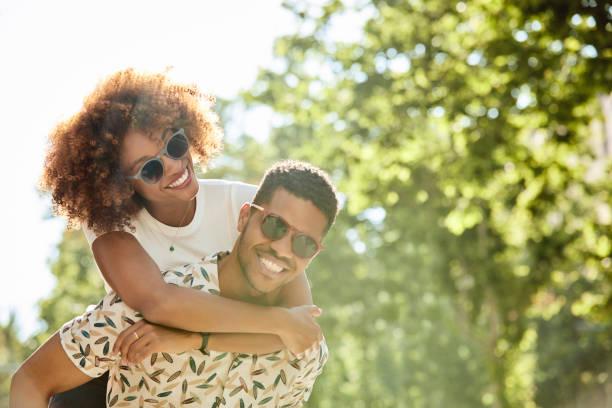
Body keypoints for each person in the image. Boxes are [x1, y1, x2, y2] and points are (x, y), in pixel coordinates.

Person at [26, 69, 323, 406]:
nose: (173, 166)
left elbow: (300, 331)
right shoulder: (111, 229)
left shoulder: (248, 208)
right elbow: (158, 302)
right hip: (129, 375)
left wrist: (194, 339)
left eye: (175, 144)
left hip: (210, 376)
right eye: (150, 168)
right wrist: (276, 321)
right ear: (121, 185)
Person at [10, 160, 339, 407]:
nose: (282, 248)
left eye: (305, 244)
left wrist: (196, 340)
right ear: (244, 217)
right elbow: (32, 378)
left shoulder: (305, 359)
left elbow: (298, 334)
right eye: (274, 225)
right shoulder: (137, 312)